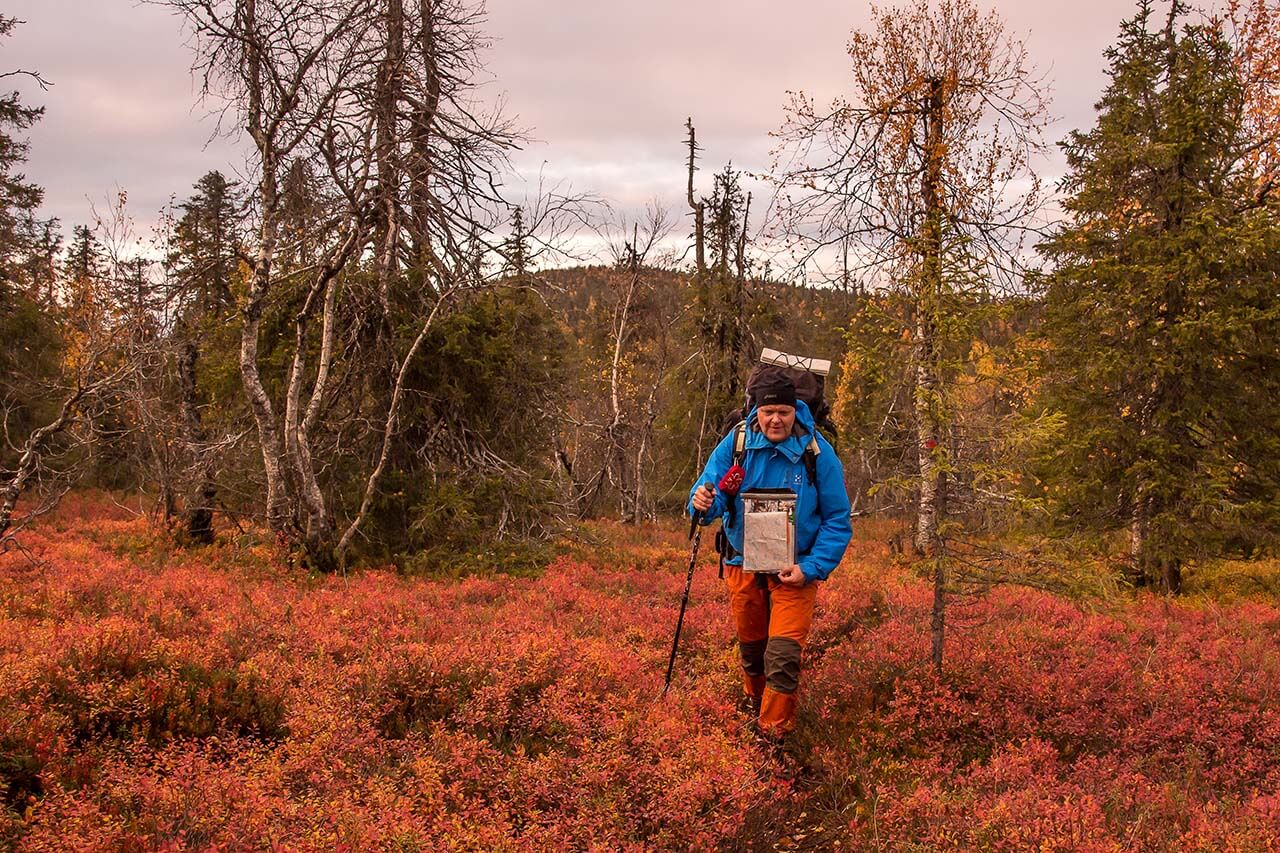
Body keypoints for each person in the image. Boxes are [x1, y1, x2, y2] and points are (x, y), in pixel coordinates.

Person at [688, 374, 852, 741]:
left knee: (782, 658)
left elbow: (838, 521)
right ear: (755, 411)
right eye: (767, 411)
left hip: (795, 571)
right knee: (753, 652)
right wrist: (701, 502)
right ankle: (754, 706)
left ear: (796, 411)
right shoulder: (737, 445)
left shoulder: (817, 453)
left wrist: (810, 568)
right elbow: (710, 496)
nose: (775, 419)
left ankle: (772, 740)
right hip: (742, 566)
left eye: (783, 411)